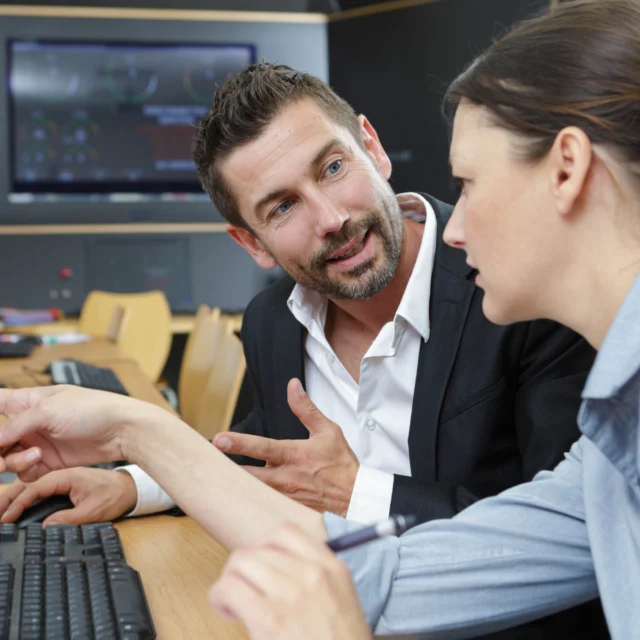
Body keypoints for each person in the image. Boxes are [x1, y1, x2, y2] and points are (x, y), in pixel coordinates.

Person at [0, 0, 636, 635]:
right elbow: (396, 569)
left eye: (468, 184)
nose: (456, 228)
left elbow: (542, 581)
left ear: (371, 146)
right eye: (281, 207)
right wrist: (139, 460)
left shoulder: (541, 310)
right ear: (250, 242)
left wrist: (351, 495)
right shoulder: (608, 460)